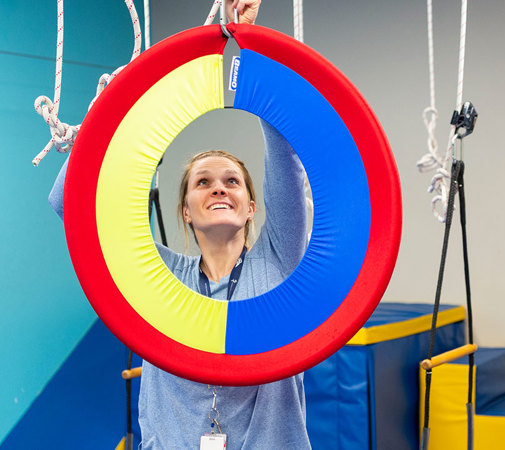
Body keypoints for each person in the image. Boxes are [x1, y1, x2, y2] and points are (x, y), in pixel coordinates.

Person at [49, 2, 313, 448]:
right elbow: (69, 206)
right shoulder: (159, 275)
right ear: (186, 211)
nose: (219, 189)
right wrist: (107, 113)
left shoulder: (279, 258)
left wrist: (250, 44)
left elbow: (283, 157)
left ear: (252, 207)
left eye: (233, 181)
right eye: (203, 182)